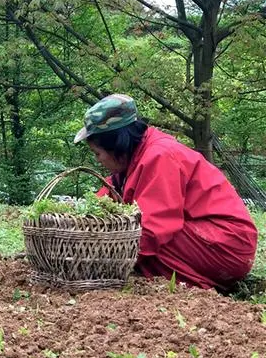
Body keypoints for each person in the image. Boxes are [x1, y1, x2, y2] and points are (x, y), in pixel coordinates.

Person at [73, 94, 258, 291]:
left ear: (116, 144)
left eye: (97, 153)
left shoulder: (159, 156)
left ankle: (190, 283)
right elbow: (106, 197)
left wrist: (100, 258)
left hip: (226, 244)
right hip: (205, 237)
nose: (98, 160)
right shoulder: (131, 161)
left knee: (140, 244)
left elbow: (152, 228)